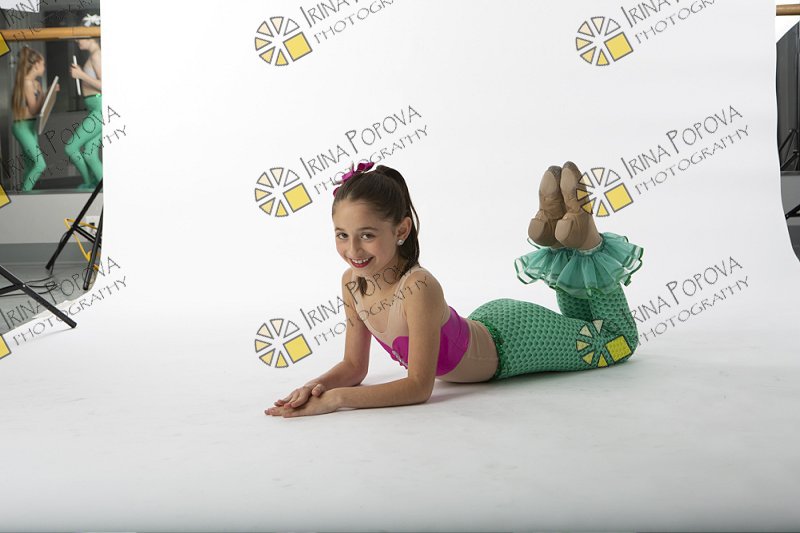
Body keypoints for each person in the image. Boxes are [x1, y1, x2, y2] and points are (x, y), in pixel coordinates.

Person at [265, 161, 644, 418]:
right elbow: (354, 366)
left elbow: (419, 387)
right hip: (486, 324)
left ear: (401, 230)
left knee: (615, 343)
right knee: (587, 329)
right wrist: (313, 387)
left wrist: (337, 400)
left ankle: (585, 239)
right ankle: (563, 236)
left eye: (366, 235)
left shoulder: (418, 287)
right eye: (342, 235)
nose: (353, 250)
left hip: (516, 343)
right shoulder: (351, 283)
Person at [11, 46, 59, 192]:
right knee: (40, 164)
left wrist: (49, 93)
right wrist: (44, 94)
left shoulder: (34, 83)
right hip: (22, 127)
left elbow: (39, 109)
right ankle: (24, 197)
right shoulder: (27, 83)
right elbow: (33, 109)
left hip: (30, 126)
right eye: (43, 64)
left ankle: (26, 195)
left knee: (31, 165)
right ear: (36, 64)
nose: (44, 67)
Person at [66, 17, 103, 191]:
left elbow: (105, 86)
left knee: (71, 147)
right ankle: (101, 188)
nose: (76, 40)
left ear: (90, 37)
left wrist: (81, 75)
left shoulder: (97, 56)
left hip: (99, 109)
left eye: (80, 36)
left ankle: (89, 184)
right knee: (89, 154)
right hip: (96, 108)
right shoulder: (94, 55)